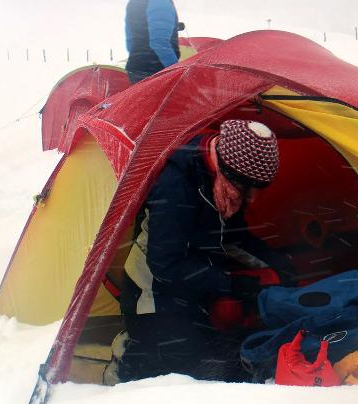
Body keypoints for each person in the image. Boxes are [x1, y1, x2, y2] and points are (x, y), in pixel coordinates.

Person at [118, 119, 289, 382]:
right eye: (248, 187)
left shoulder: (225, 185)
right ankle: (128, 358)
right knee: (183, 375)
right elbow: (165, 265)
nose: (253, 198)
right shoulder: (177, 185)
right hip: (151, 293)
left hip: (192, 285)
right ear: (228, 170)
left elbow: (234, 237)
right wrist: (231, 284)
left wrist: (276, 266)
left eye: (259, 188)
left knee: (216, 348)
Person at [124, 0, 183, 84]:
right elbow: (159, 42)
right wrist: (176, 69)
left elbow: (130, 41)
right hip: (158, 70)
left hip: (136, 68)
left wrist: (139, 57)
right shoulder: (161, 2)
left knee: (143, 97)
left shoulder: (133, 3)